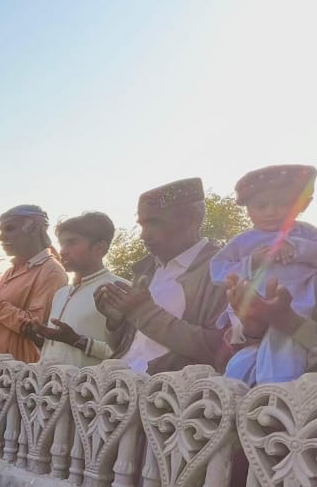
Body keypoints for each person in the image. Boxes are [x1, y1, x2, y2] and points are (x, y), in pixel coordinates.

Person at [96, 178, 224, 375]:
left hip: (171, 399)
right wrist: (116, 322)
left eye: (154, 223)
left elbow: (221, 349)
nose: (144, 235)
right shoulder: (146, 269)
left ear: (193, 219)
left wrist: (142, 311)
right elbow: (133, 349)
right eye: (142, 225)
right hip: (118, 390)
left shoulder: (223, 269)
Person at [211, 164, 317, 385]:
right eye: (261, 205)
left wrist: (295, 247)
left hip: (298, 310)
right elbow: (217, 269)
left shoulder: (306, 233)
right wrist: (252, 262)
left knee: (283, 351)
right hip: (250, 314)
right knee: (243, 362)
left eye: (282, 204)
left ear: (302, 205)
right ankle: (234, 393)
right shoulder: (243, 242)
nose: (271, 211)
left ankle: (278, 393)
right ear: (248, 209)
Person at [0, 204, 68, 362]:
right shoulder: (10, 271)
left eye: (9, 229)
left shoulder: (51, 272)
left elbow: (35, 328)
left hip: (12, 375)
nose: (1, 238)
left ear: (34, 229)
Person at [35, 213, 123, 367]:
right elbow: (57, 350)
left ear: (99, 248)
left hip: (91, 388)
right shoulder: (61, 293)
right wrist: (38, 336)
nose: (62, 251)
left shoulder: (118, 289)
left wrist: (77, 341)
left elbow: (128, 353)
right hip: (48, 386)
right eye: (62, 244)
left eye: (71, 243)